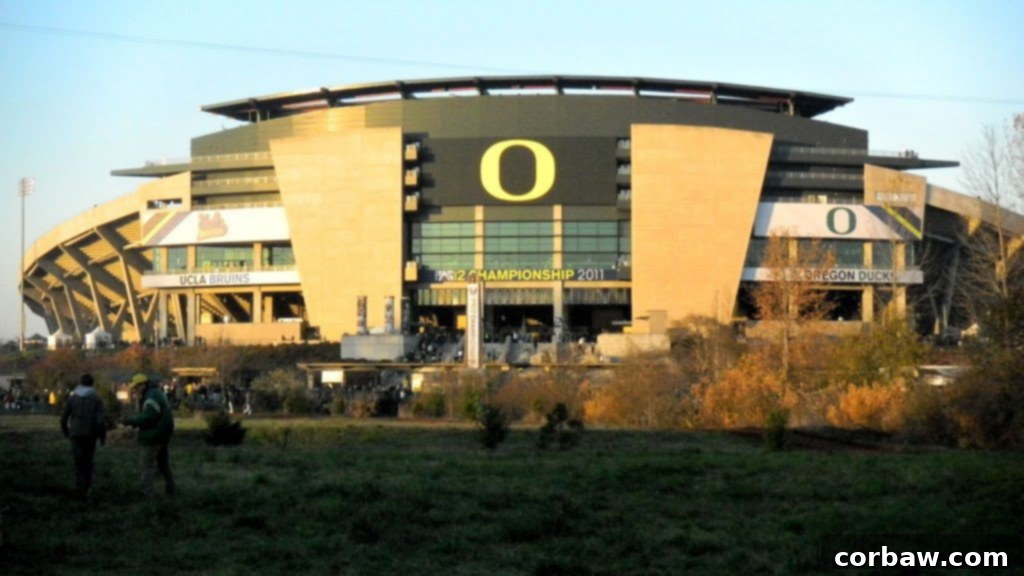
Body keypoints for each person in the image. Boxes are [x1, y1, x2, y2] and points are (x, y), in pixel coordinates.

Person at [122, 373, 176, 497]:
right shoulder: (156, 393)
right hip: (163, 434)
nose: (135, 390)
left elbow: (148, 417)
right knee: (163, 464)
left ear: (143, 385)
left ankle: (147, 493)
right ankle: (171, 490)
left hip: (153, 435)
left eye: (136, 387)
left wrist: (131, 421)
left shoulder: (151, 398)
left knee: (147, 465)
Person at [60, 373, 107, 499]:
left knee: (78, 462)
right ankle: (87, 487)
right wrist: (102, 437)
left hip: (75, 434)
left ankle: (79, 487)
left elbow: (63, 418)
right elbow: (100, 421)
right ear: (92, 384)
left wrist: (66, 432)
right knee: (88, 461)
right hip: (90, 434)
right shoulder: (96, 399)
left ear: (80, 384)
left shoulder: (72, 398)